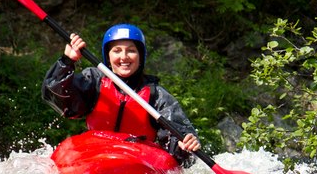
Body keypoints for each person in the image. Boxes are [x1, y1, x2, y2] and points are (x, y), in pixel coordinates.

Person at [42, 23, 201, 166]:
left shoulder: (157, 96)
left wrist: (183, 147)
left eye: (131, 51)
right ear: (108, 58)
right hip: (95, 154)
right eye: (117, 51)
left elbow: (180, 143)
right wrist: (67, 61)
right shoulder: (94, 81)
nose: (124, 57)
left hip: (139, 160)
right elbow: (56, 95)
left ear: (140, 57)